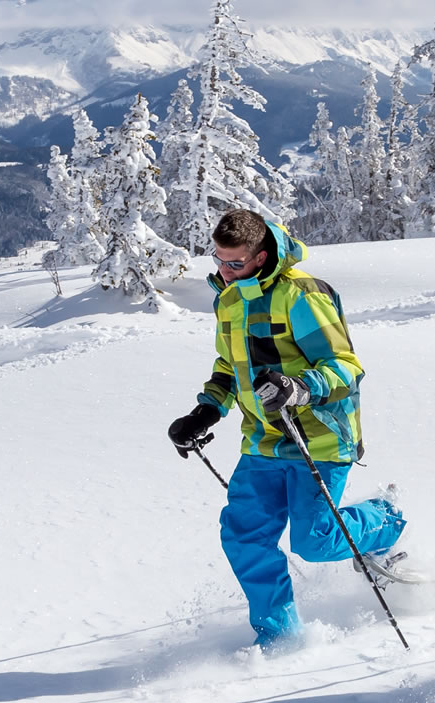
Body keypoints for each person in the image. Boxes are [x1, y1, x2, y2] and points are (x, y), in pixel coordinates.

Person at [167, 209, 406, 651]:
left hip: (317, 437)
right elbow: (229, 366)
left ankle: (384, 520)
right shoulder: (229, 298)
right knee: (243, 538)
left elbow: (345, 367)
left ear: (261, 256)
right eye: (218, 259)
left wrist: (300, 387)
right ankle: (280, 638)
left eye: (235, 263)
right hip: (262, 441)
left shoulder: (301, 296)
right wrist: (205, 412)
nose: (223, 270)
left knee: (315, 542)